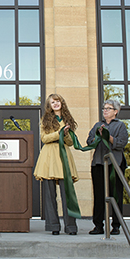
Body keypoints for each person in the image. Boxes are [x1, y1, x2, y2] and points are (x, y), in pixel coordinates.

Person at [33, 93, 79, 235]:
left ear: (62, 103)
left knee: (68, 195)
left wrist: (65, 135)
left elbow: (71, 142)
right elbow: (44, 138)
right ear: (49, 105)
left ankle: (70, 227)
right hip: (49, 158)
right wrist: (58, 132)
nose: (56, 104)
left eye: (58, 101)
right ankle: (53, 226)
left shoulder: (68, 119)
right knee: (49, 195)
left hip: (63, 156)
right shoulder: (45, 119)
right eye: (53, 102)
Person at [86, 99, 128, 236]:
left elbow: (121, 143)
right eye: (104, 108)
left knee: (115, 195)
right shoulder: (98, 124)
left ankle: (116, 226)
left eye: (108, 108)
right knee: (99, 195)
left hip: (115, 164)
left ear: (115, 111)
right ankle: (98, 225)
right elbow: (89, 141)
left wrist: (108, 137)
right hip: (98, 163)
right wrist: (97, 137)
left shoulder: (120, 126)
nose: (105, 111)